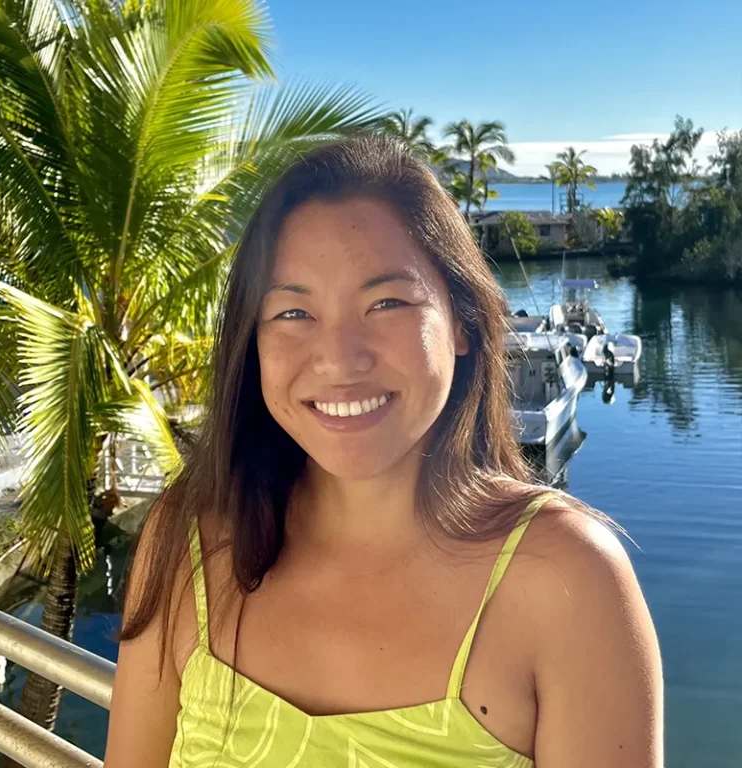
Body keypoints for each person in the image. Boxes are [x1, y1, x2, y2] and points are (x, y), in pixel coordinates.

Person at [104, 135, 663, 768]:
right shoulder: (187, 545)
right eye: (293, 312)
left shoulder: (568, 581)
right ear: (250, 338)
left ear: (460, 321)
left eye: (387, 302)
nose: (340, 360)